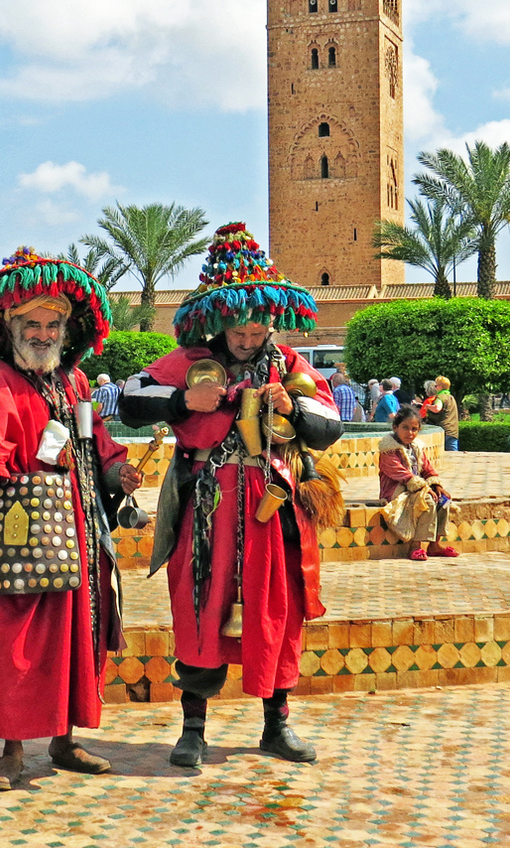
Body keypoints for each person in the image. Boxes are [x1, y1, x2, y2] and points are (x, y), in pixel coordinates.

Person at [121, 223, 343, 768]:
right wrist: (182, 401)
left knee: (276, 613)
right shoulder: (189, 360)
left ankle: (276, 725)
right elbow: (129, 398)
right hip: (207, 513)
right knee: (199, 608)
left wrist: (292, 408)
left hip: (273, 510)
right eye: (239, 331)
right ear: (221, 322)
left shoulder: (289, 366)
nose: (247, 340)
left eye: (257, 330)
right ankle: (192, 729)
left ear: (271, 321)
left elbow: (330, 421)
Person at [0, 247, 141, 791]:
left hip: (75, 536)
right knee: (17, 644)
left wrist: (117, 472)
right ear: (10, 327)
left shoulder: (72, 385)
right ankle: (10, 750)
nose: (44, 332)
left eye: (54, 323)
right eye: (33, 322)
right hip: (17, 539)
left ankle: (64, 738)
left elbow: (97, 445)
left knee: (76, 638)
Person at [378, 407, 457, 561]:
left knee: (443, 500)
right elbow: (400, 473)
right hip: (397, 491)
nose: (410, 433)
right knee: (426, 501)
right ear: (395, 427)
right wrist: (423, 488)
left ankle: (435, 544)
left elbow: (427, 468)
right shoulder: (388, 450)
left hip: (418, 488)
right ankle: (415, 546)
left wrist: (436, 485)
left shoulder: (416, 448)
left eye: (414, 429)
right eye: (405, 428)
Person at [423, 374, 461, 452]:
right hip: (453, 430)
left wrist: (428, 406)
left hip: (443, 430)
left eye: (436, 386)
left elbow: (437, 408)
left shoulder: (441, 397)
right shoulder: (451, 397)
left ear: (441, 386)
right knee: (454, 453)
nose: (435, 388)